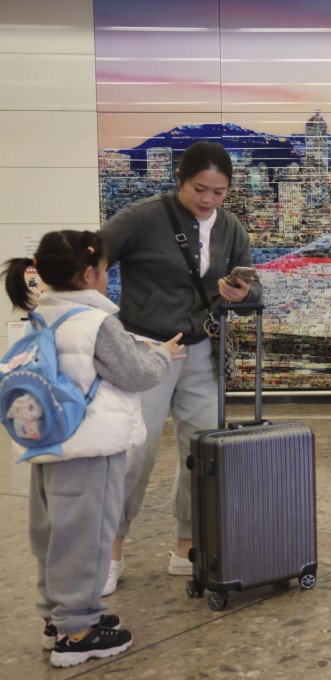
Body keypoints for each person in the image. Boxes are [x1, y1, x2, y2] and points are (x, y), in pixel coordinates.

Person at [2, 230, 184, 667]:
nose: (106, 276)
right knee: (85, 538)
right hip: (89, 449)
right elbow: (136, 373)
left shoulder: (43, 313)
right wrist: (163, 355)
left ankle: (56, 619)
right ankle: (79, 633)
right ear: (88, 275)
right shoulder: (97, 321)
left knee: (52, 535)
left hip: (51, 441)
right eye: (104, 269)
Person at [101, 141, 262, 594]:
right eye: (199, 189)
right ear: (180, 177)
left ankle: (187, 548)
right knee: (135, 450)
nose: (208, 200)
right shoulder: (142, 217)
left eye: (218, 192)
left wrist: (242, 294)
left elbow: (252, 286)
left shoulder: (231, 228)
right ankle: (108, 551)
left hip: (202, 349)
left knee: (204, 451)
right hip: (145, 348)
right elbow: (93, 260)